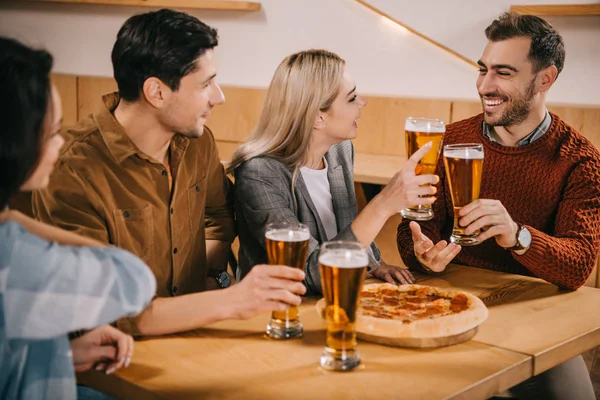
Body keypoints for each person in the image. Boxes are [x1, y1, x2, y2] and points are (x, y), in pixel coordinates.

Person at [32, 9, 306, 336]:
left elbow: (218, 214)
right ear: (157, 92)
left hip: (198, 336)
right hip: (111, 363)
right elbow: (100, 311)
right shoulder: (72, 170)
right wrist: (232, 299)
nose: (219, 97)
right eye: (206, 84)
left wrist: (208, 276)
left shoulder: (198, 142)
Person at [397, 12, 599, 399]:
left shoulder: (580, 160)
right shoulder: (449, 139)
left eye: (503, 73)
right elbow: (413, 228)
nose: (485, 85)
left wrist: (517, 236)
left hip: (534, 319)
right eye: (483, 69)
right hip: (450, 307)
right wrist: (422, 254)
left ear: (545, 79)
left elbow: (578, 264)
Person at [0, 37, 156, 400]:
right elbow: (134, 279)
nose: (59, 143)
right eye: (51, 132)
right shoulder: (13, 251)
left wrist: (61, 352)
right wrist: (11, 219)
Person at [229, 49, 438, 294]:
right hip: (281, 310)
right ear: (318, 117)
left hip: (339, 295)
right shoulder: (260, 174)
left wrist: (374, 263)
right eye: (351, 98)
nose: (363, 102)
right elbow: (311, 276)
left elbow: (347, 228)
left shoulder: (339, 150)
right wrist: (381, 205)